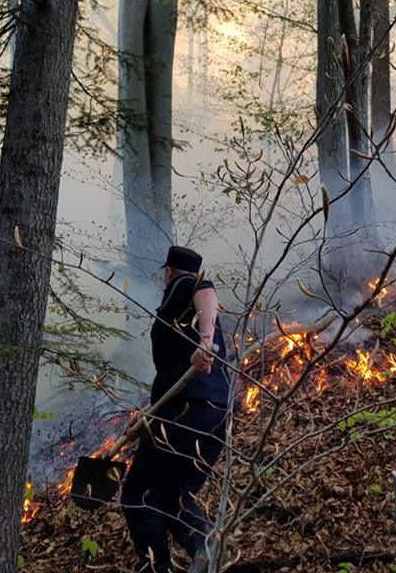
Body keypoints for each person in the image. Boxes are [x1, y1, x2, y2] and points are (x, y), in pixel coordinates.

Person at [121, 245, 230, 573]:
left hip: (185, 412)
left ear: (168, 272)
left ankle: (158, 567)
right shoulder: (179, 309)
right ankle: (206, 551)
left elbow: (205, 290)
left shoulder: (185, 285)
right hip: (212, 414)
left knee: (139, 495)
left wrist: (205, 341)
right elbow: (172, 380)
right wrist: (144, 422)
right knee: (171, 495)